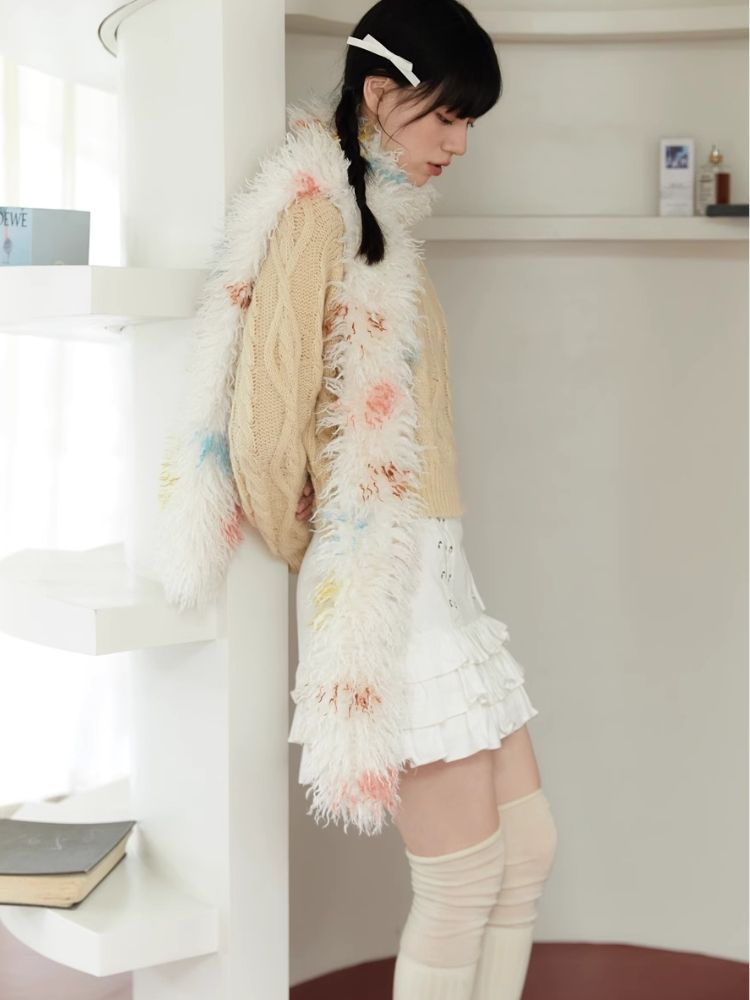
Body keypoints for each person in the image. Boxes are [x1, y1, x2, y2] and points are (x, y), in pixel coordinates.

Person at [158, 2, 558, 997]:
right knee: (462, 882)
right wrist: (328, 548)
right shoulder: (317, 216)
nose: (460, 144)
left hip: (443, 574)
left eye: (470, 122)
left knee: (528, 852)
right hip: (389, 585)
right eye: (448, 116)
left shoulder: (383, 222)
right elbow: (264, 428)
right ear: (381, 93)